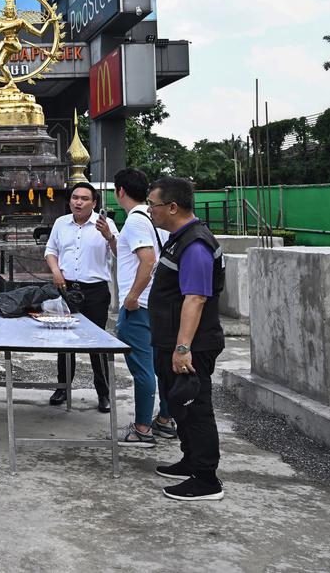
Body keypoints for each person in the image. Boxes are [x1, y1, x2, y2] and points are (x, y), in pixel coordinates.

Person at [146, 177, 226, 501]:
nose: (150, 210)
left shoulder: (195, 244)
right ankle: (191, 460)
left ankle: (206, 479)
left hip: (192, 346)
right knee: (180, 405)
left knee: (196, 409)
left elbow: (196, 298)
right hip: (170, 341)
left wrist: (182, 349)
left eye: (153, 204)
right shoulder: (177, 239)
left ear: (172, 207)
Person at [110, 168, 174, 448]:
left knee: (143, 368)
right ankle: (165, 419)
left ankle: (142, 428)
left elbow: (147, 261)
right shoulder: (147, 218)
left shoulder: (135, 221)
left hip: (142, 305)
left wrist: (132, 297)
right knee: (160, 366)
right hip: (156, 304)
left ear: (120, 191)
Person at [44, 182, 117, 412]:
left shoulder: (106, 224)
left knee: (97, 342)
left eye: (84, 198)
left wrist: (109, 236)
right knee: (64, 341)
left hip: (95, 290)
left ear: (94, 203)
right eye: (75, 197)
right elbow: (51, 250)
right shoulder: (61, 223)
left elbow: (121, 253)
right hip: (66, 289)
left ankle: (103, 392)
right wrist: (56, 271)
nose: (78, 202)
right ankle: (63, 387)